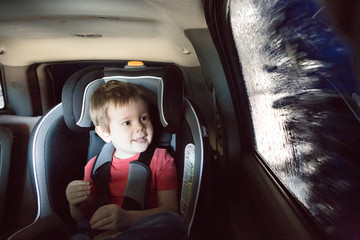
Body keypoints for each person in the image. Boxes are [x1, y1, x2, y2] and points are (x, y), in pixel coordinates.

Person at [65, 80, 188, 240]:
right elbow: (83, 216)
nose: (140, 127)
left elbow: (170, 210)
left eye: (144, 118)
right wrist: (73, 203)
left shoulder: (161, 160)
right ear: (105, 133)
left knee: (173, 222)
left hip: (141, 230)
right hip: (100, 234)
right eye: (127, 122)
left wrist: (127, 219)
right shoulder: (94, 166)